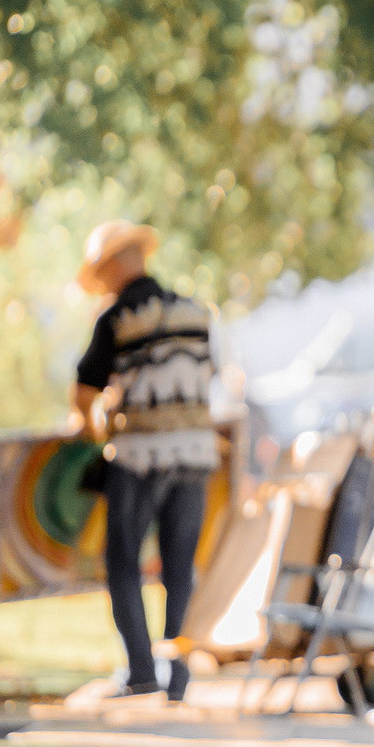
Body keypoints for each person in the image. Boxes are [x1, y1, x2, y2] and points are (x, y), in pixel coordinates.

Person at [69, 220, 220, 702]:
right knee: (180, 568)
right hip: (195, 454)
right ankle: (178, 675)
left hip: (138, 459)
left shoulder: (117, 317)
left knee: (123, 564)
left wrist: (95, 423)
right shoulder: (194, 311)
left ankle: (140, 672)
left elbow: (84, 392)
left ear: (114, 265)